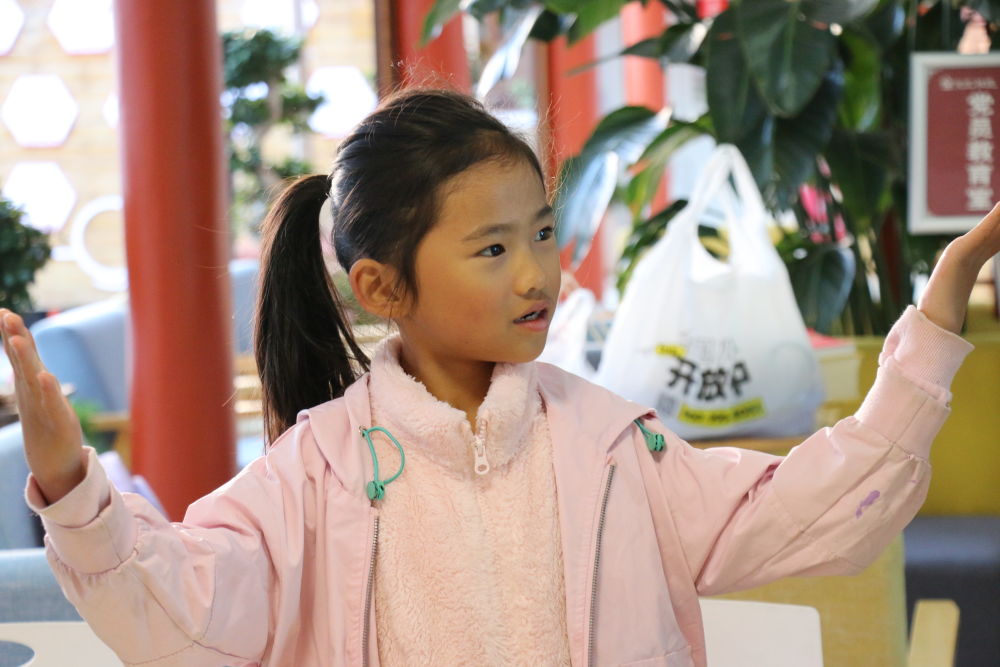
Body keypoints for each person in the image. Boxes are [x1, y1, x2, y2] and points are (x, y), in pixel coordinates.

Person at [2, 88, 998, 667]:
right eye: (491, 248)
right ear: (381, 285)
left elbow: (823, 510)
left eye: (542, 233)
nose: (536, 273)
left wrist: (934, 321)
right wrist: (74, 489)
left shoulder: (615, 447)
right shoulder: (317, 471)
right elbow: (175, 613)